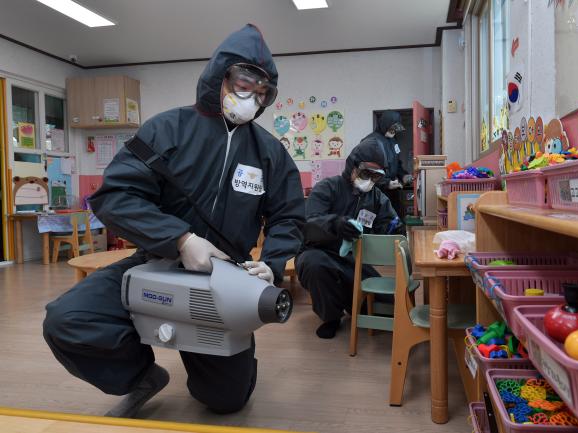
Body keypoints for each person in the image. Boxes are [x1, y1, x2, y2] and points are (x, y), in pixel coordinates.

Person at [42, 24, 305, 417]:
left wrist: (271, 265)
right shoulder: (167, 129)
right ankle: (140, 375)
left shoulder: (269, 152)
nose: (252, 97)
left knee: (226, 401)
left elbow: (288, 217)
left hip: (223, 279)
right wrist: (180, 239)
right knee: (68, 320)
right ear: (221, 76)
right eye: (244, 83)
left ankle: (217, 359)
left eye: (263, 91)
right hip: (155, 263)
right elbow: (114, 197)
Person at [296, 138, 405, 339]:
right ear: (352, 166)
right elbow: (308, 225)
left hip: (353, 260)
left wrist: (396, 228)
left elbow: (389, 225)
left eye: (376, 177)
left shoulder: (377, 198)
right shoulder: (328, 188)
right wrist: (335, 225)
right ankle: (331, 317)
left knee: (387, 307)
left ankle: (351, 305)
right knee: (315, 266)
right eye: (366, 173)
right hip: (319, 252)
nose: (370, 180)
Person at [363, 111, 412, 215]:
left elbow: (397, 164)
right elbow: (365, 170)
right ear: (384, 124)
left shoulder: (393, 141)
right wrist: (386, 183)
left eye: (396, 129)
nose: (394, 131)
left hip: (392, 191)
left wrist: (403, 175)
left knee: (396, 221)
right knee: (377, 224)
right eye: (392, 128)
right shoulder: (370, 141)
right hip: (374, 192)